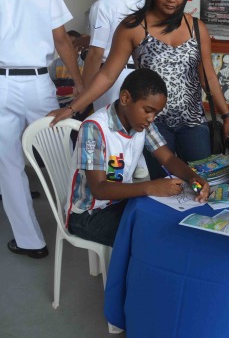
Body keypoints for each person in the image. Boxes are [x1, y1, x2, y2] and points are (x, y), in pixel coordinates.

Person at [49, 0, 229, 180]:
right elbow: (108, 75)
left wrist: (227, 115)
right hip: (153, 124)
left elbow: (209, 78)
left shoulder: (196, 27)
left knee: (200, 182)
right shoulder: (134, 27)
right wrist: (73, 109)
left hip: (193, 123)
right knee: (162, 185)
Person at [1, 0, 83, 258]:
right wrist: (77, 82)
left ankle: (30, 241)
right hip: (37, 81)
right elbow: (61, 38)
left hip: (0, 83)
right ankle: (77, 220)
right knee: (60, 152)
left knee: (8, 165)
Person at [65, 68, 209, 247]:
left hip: (121, 203)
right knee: (151, 234)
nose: (151, 118)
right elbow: (99, 189)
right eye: (148, 110)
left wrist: (193, 178)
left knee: (169, 220)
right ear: (125, 99)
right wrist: (150, 187)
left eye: (155, 113)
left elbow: (168, 159)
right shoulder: (94, 128)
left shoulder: (142, 124)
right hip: (89, 215)